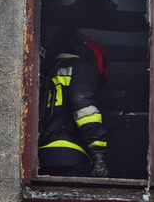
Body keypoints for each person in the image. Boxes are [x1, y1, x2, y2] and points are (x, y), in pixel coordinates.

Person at [38, 37, 110, 177]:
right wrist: (99, 151)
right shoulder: (81, 67)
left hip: (43, 157)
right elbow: (84, 107)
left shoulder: (49, 71)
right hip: (70, 158)